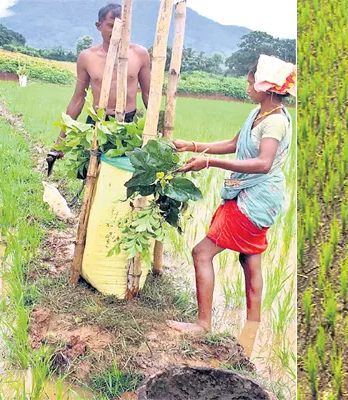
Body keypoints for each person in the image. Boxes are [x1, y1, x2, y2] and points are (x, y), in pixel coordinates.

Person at [166, 55, 295, 356]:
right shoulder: (259, 113)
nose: (247, 87)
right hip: (252, 195)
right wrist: (193, 146)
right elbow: (234, 144)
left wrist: (209, 162)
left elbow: (263, 163)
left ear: (267, 88)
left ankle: (202, 323)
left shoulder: (275, 122)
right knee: (250, 259)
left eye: (252, 83)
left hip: (255, 199)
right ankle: (252, 327)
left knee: (201, 252)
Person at [47, 3, 150, 162]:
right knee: (92, 174)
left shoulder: (140, 54)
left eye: (122, 27)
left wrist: (156, 129)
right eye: (111, 26)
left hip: (129, 124)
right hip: (98, 123)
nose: (117, 31)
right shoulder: (87, 57)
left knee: (123, 174)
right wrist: (60, 140)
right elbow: (78, 98)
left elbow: (148, 94)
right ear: (99, 26)